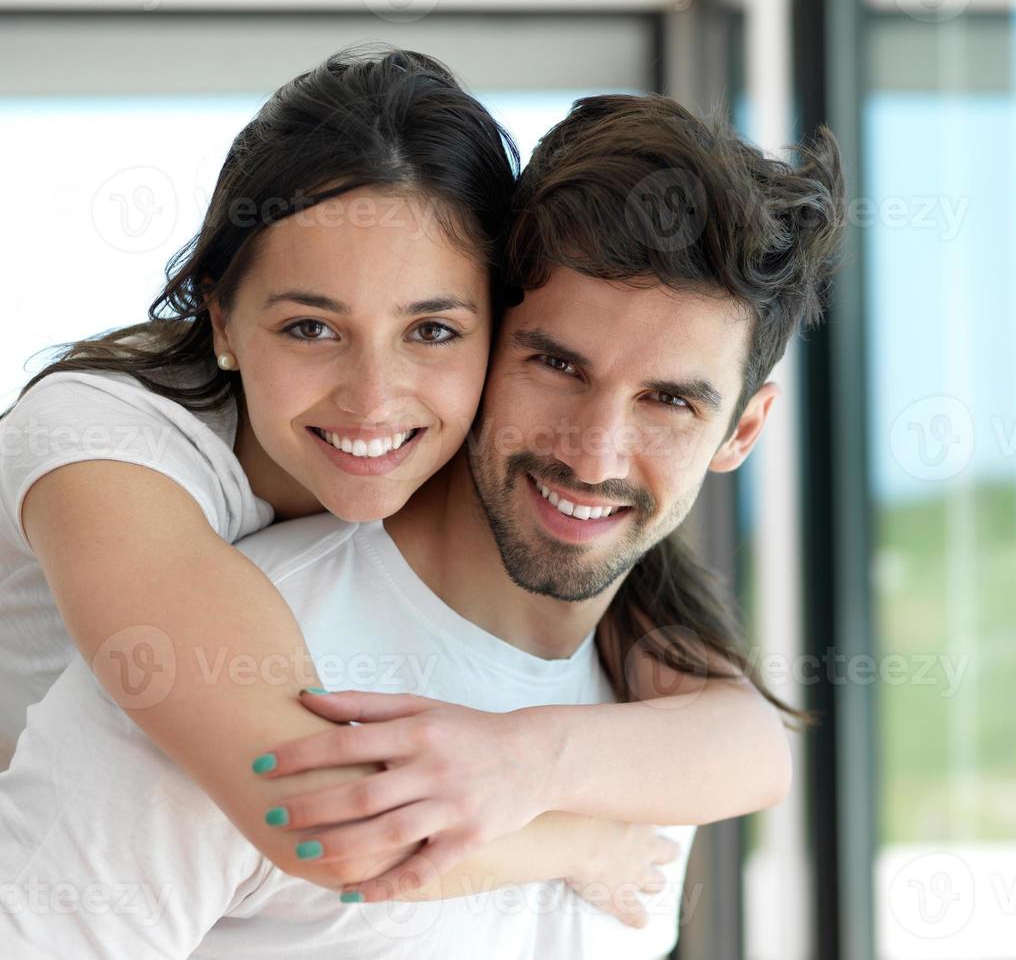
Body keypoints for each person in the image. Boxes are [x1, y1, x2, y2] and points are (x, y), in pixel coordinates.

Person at [0, 91, 845, 956]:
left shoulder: (649, 740)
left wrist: (544, 767)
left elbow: (754, 745)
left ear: (740, 432)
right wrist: (582, 838)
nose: (595, 457)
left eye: (669, 400)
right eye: (556, 363)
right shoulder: (210, 661)